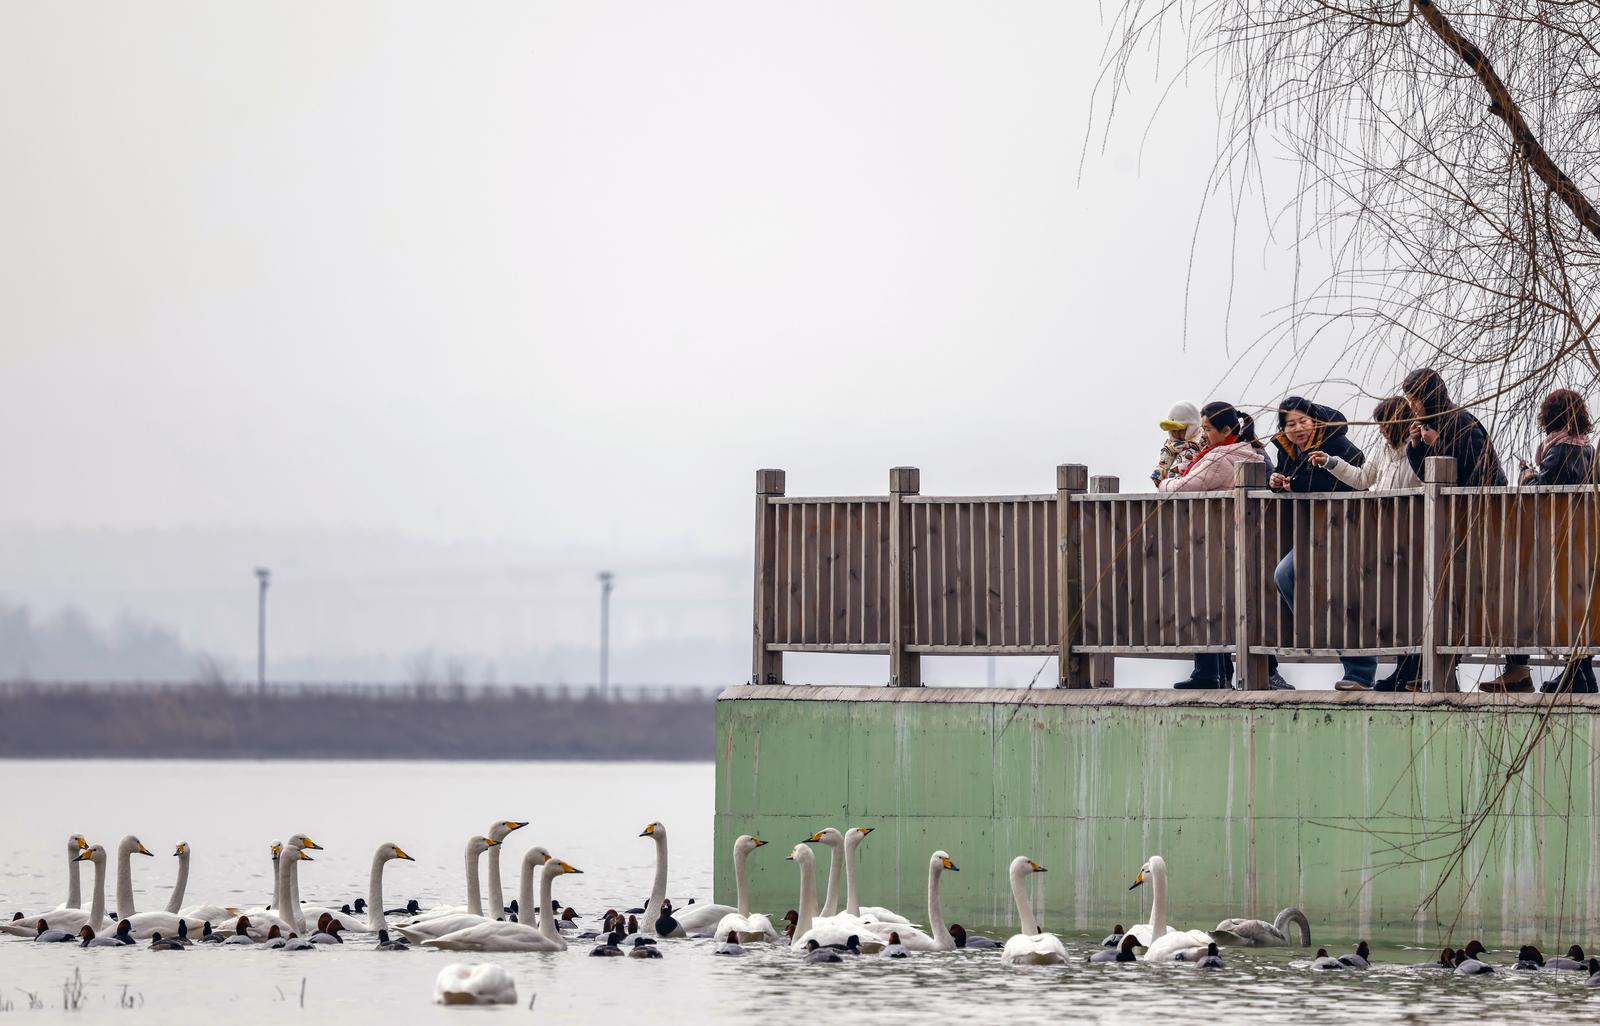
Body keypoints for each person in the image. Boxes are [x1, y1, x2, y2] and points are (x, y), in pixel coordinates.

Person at [1161, 402, 1288, 689]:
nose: (1203, 434)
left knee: (1209, 603)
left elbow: (1180, 488)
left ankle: (1215, 673)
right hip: (1242, 541)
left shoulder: (1220, 457)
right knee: (1231, 606)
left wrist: (1163, 481)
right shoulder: (1252, 450)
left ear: (1226, 429)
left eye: (1207, 428)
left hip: (1219, 541)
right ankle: (1236, 672)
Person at [1482, 389, 1598, 694]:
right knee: (1578, 603)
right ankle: (1581, 673)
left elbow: (1543, 490)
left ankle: (1576, 673)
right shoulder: (1588, 449)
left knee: (1563, 604)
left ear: (1551, 417)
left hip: (1560, 539)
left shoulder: (1559, 451)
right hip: (1583, 539)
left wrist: (1527, 476)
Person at [1308, 396, 1423, 690]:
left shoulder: (1416, 449)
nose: (1381, 430)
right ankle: (1403, 669)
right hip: (1384, 535)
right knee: (1393, 604)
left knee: (1409, 604)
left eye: (1385, 424)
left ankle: (1413, 670)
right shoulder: (1384, 450)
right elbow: (1362, 479)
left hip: (1411, 534)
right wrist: (1331, 463)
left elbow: (1422, 482)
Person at [1268, 397, 1377, 691]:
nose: (1298, 428)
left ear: (1315, 421)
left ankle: (1360, 673)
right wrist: (1275, 482)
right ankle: (1318, 632)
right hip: (1315, 534)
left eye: (1303, 421)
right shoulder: (1287, 449)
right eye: (1290, 424)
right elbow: (1290, 478)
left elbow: (1354, 479)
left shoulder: (1335, 442)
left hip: (1347, 529)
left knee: (1344, 598)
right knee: (1285, 574)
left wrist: (1297, 484)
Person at [1400, 368, 1506, 487]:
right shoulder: (1430, 424)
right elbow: (1427, 475)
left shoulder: (1460, 420)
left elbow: (1478, 466)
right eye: (1409, 400)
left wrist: (1437, 442)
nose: (1411, 406)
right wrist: (1415, 445)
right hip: (1457, 497)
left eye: (1415, 400)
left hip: (1486, 496)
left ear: (1429, 398)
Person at [1152, 401, 1205, 484]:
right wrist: (1158, 477)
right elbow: (1162, 465)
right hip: (1171, 486)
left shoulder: (1203, 441)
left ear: (1192, 427)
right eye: (1173, 431)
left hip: (1189, 485)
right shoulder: (1170, 448)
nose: (1176, 434)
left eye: (1180, 430)